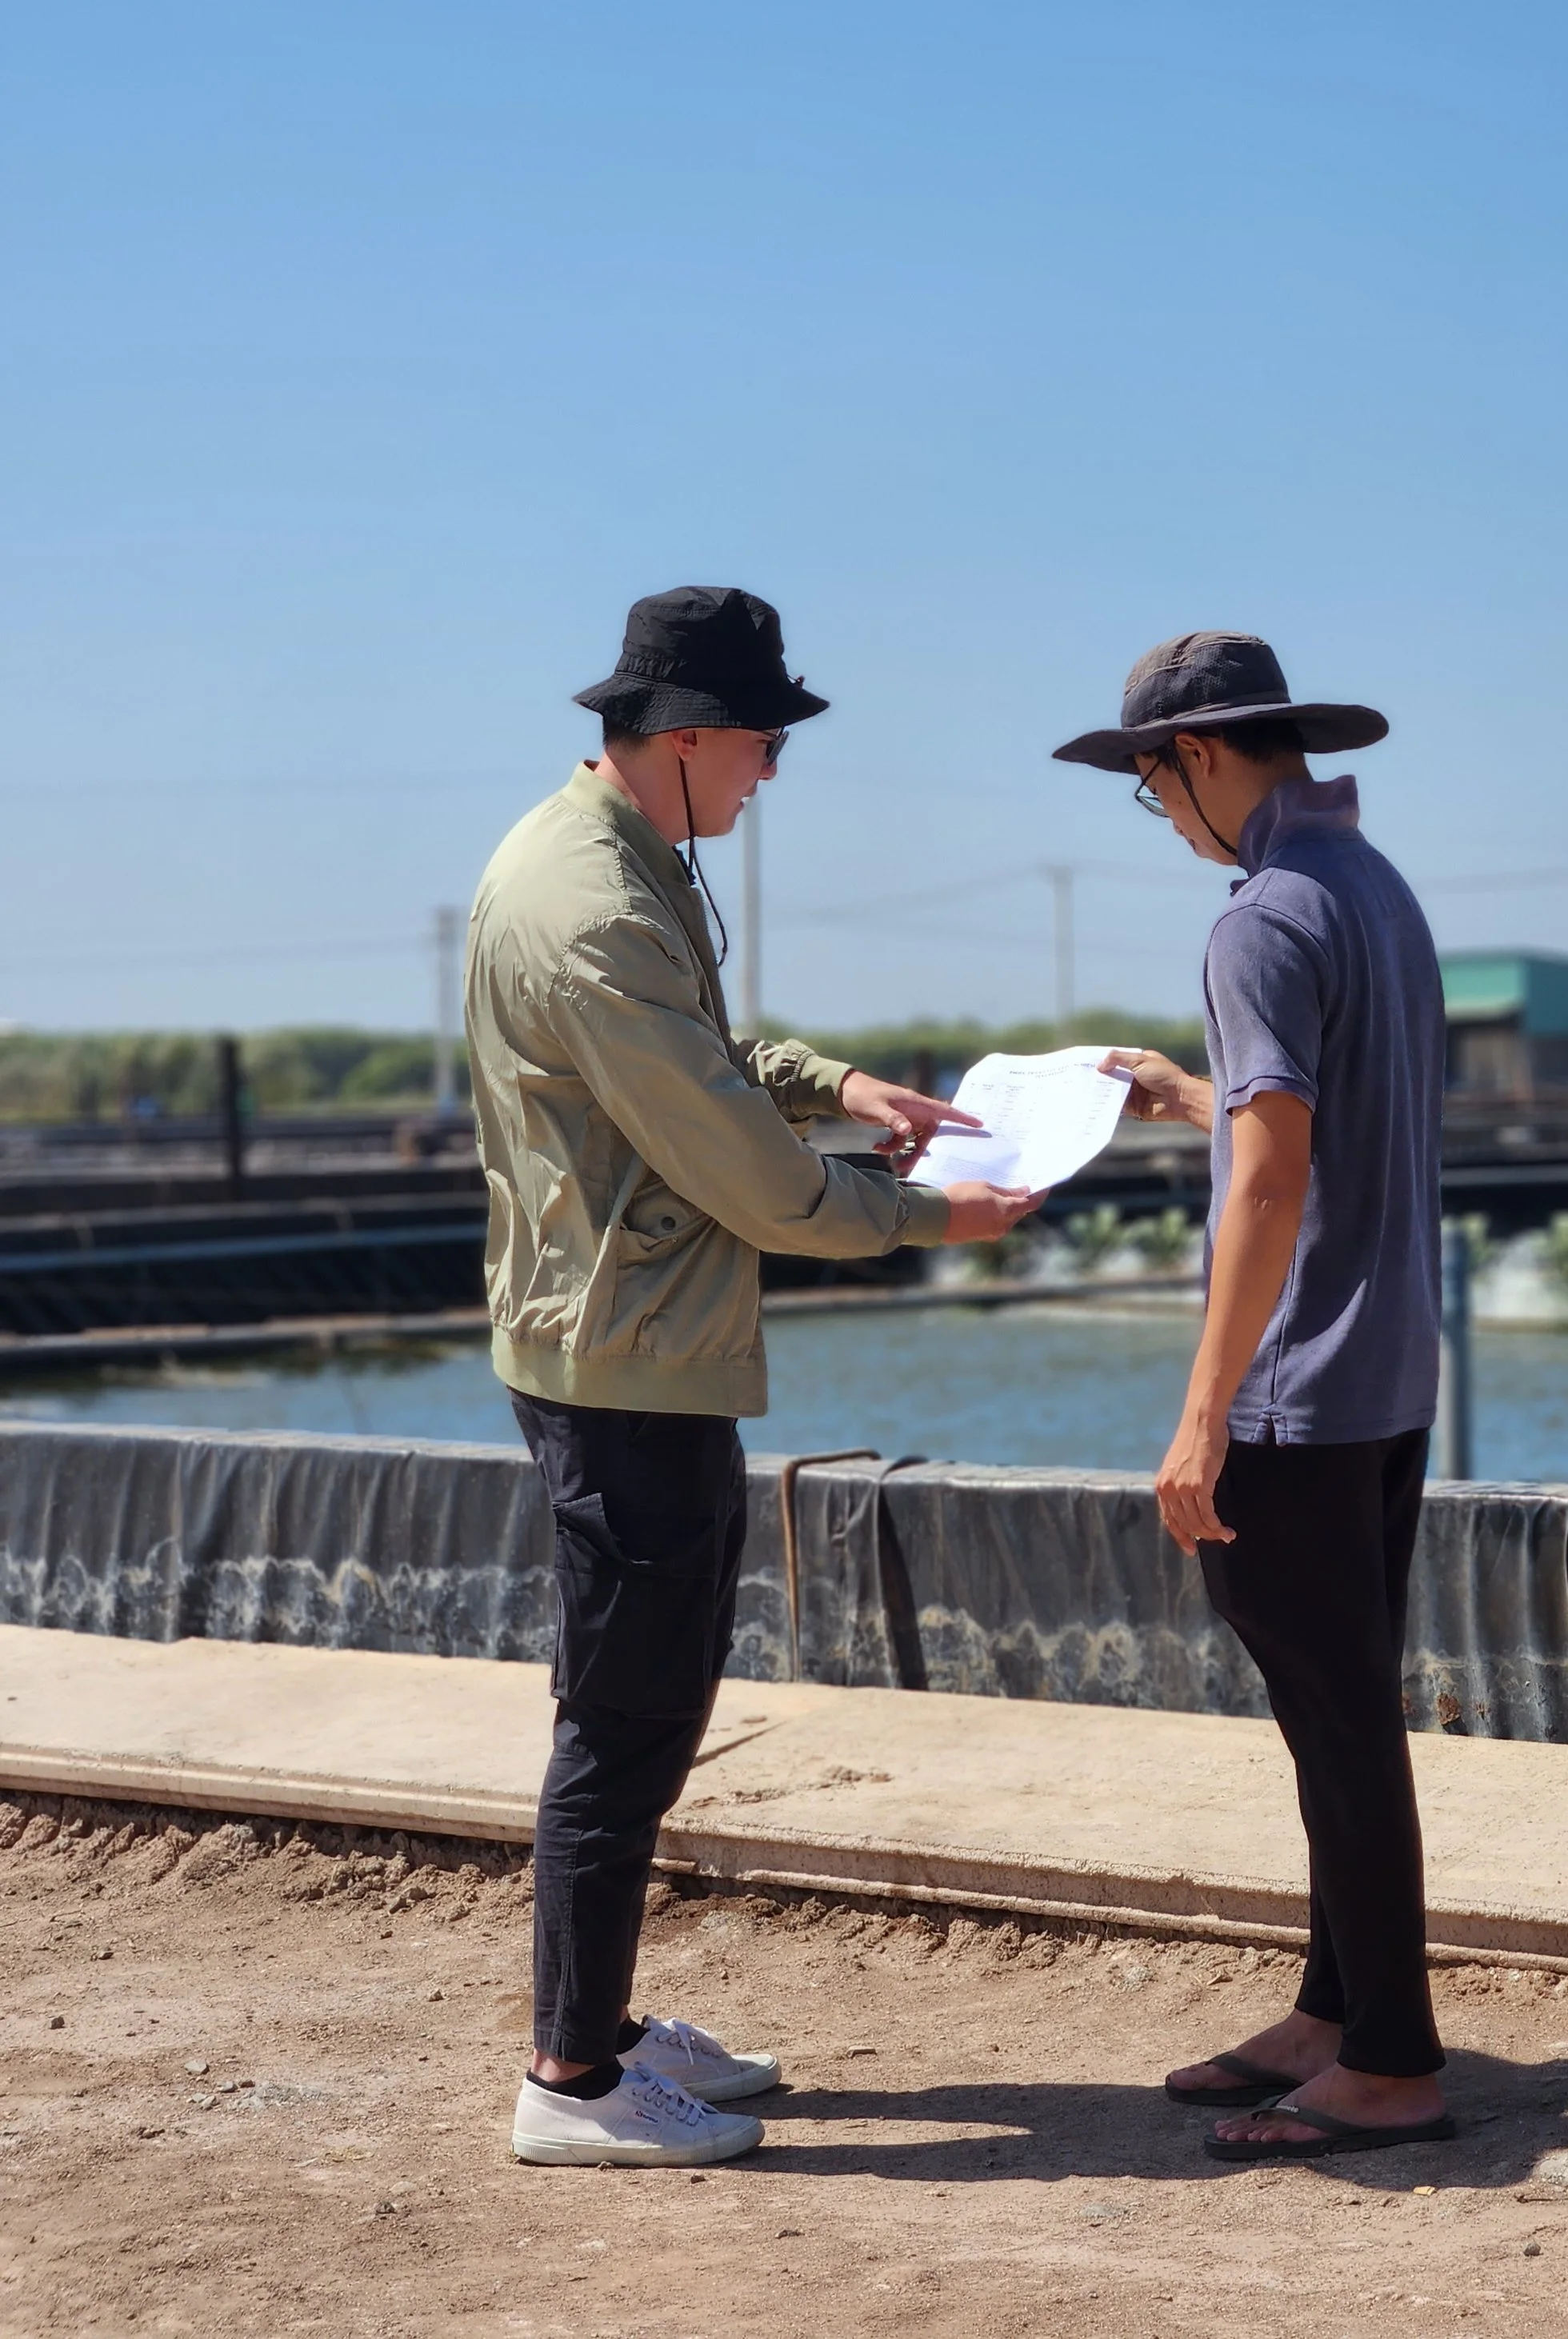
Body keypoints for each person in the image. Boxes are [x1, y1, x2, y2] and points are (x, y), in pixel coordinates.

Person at [468, 585, 1038, 2169]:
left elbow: (711, 1064)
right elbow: (744, 1170)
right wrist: (932, 1220)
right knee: (623, 1718)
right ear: (689, 735)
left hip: (629, 1336)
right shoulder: (595, 908)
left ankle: (600, 2027)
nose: (774, 771)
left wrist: (839, 1083)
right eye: (766, 741)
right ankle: (572, 2080)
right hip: (625, 1357)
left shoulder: (613, 860)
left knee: (644, 1701)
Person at [1053, 630, 1453, 2162]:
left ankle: (1395, 2062)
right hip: (1388, 1371)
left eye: (1153, 787)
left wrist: (1202, 1409)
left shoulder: (1261, 918)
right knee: (1337, 1709)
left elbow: (1274, 1184)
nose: (1161, 817)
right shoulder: (1373, 887)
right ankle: (1336, 2013)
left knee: (1338, 1727)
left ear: (1201, 757)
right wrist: (1196, 1097)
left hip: (1298, 1390)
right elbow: (1314, 1121)